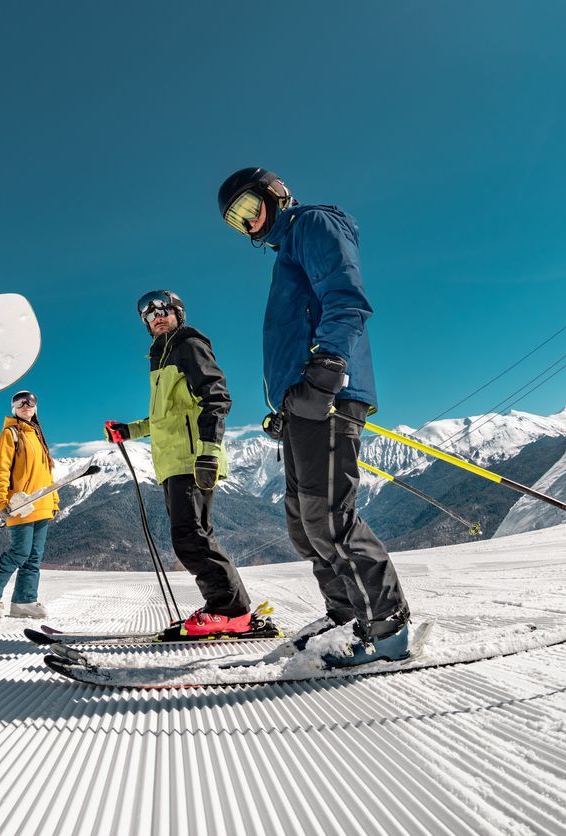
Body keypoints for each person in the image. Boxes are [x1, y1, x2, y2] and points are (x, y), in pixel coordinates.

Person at [217, 166, 411, 666]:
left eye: (248, 208)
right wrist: (288, 403)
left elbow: (345, 298)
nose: (249, 224)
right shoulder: (286, 251)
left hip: (328, 393)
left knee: (330, 518)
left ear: (275, 193)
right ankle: (346, 614)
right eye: (237, 222)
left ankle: (386, 628)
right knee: (304, 525)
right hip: (304, 402)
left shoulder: (312, 225)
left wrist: (325, 371)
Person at [105, 291, 277, 639]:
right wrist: (129, 430)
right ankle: (235, 610)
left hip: (192, 458)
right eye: (149, 314)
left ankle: (228, 610)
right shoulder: (161, 356)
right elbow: (164, 416)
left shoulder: (187, 344)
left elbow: (216, 396)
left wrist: (209, 452)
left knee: (188, 538)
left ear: (177, 313)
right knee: (198, 536)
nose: (156, 316)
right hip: (172, 462)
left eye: (163, 310)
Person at [0, 390, 59, 619]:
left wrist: (54, 499)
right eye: (20, 402)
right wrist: (1, 500)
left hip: (41, 504)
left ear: (35, 407)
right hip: (20, 504)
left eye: (30, 402)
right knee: (19, 552)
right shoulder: (10, 434)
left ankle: (24, 601)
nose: (26, 405)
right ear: (14, 408)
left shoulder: (38, 436)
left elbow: (46, 473)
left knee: (34, 556)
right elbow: (1, 471)